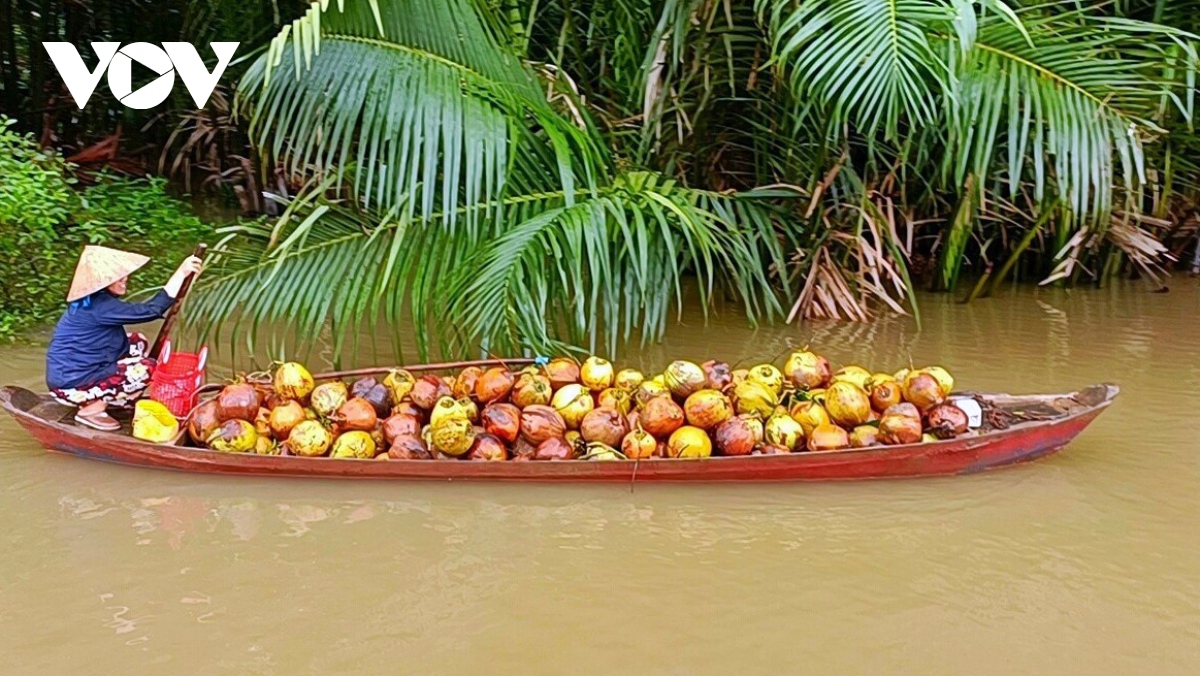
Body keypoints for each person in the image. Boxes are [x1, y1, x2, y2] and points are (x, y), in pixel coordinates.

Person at [45, 245, 203, 431]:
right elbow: (152, 310)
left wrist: (185, 278)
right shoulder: (100, 306)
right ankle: (91, 411)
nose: (125, 278)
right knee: (147, 368)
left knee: (137, 341)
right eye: (117, 277)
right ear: (103, 283)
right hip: (71, 386)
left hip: (72, 374)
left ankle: (114, 394)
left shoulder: (95, 303)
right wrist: (180, 273)